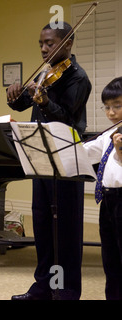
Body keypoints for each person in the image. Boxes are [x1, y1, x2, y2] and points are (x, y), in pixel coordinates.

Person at [7, 22, 91, 300]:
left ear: (68, 44)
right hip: (40, 157)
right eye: (41, 43)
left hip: (67, 160)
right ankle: (43, 286)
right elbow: (22, 104)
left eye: (50, 43)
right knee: (43, 225)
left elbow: (67, 119)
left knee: (66, 229)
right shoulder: (45, 73)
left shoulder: (78, 78)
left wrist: (43, 102)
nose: (43, 48)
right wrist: (14, 96)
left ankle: (66, 290)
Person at [83, 77, 122, 300]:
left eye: (117, 106)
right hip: (107, 200)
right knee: (110, 259)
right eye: (107, 107)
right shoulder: (110, 133)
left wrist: (120, 150)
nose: (111, 113)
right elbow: (87, 150)